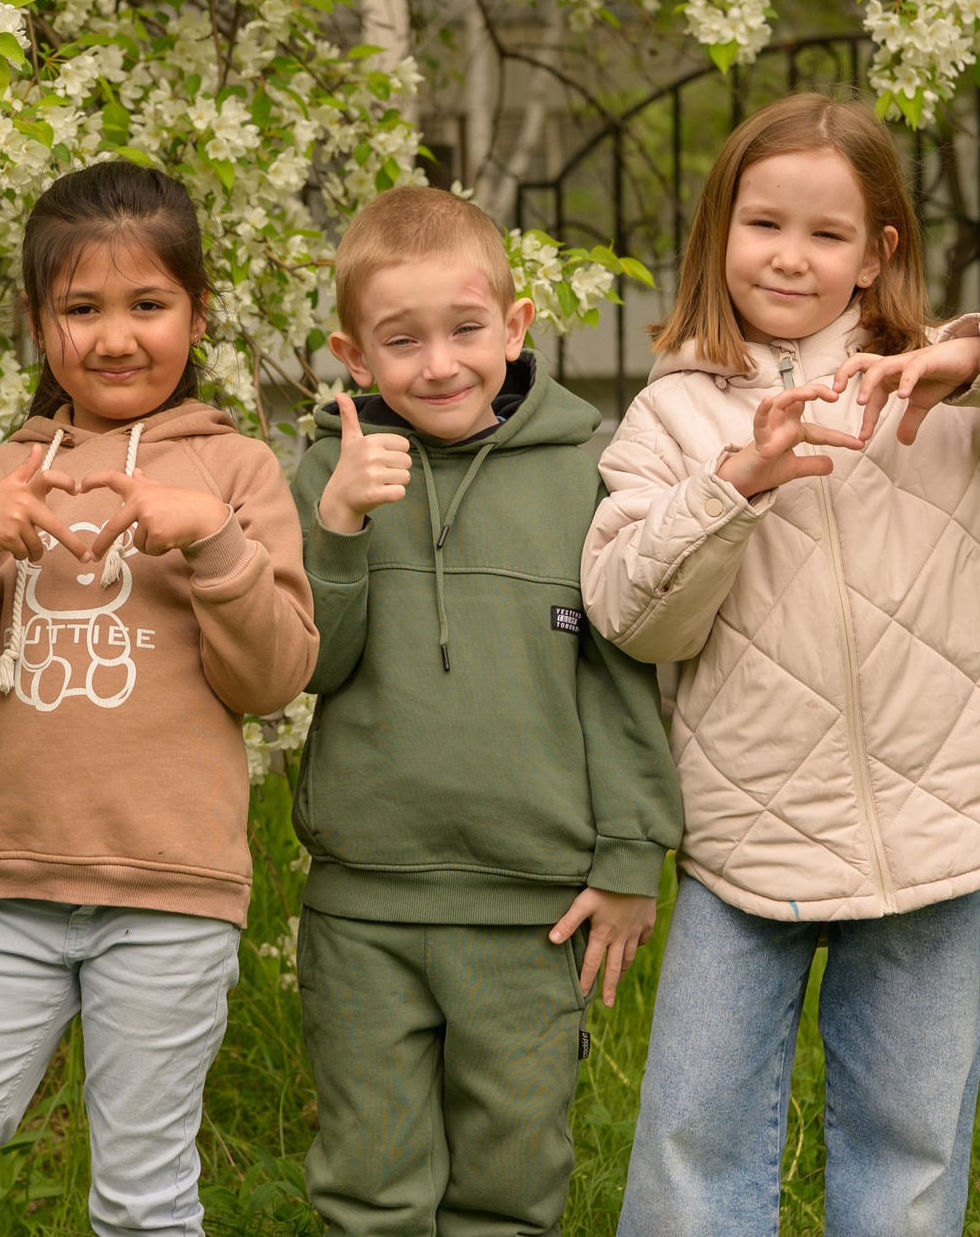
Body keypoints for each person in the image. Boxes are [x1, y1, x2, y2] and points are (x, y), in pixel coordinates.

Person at [584, 92, 980, 1237]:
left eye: (826, 232)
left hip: (939, 823)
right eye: (762, 224)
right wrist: (731, 486)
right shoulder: (667, 419)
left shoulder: (951, 398)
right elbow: (632, 614)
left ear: (876, 251)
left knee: (907, 1149)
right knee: (692, 1143)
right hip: (743, 834)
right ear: (718, 232)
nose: (789, 256)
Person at [0, 161, 318, 1237]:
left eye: (147, 304)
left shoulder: (238, 469)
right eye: (82, 307)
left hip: (171, 895)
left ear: (196, 312)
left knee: (141, 1200)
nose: (115, 336)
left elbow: (272, 678)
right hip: (9, 894)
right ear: (38, 320)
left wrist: (209, 539)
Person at [290, 185, 682, 1237]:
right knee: (370, 1182)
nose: (439, 363)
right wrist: (335, 527)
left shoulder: (583, 473)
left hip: (532, 904)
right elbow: (310, 666)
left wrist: (631, 852)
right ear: (353, 356)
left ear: (515, 327)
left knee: (510, 1182)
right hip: (364, 902)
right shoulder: (326, 469)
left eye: (466, 329)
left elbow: (619, 672)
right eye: (400, 340)